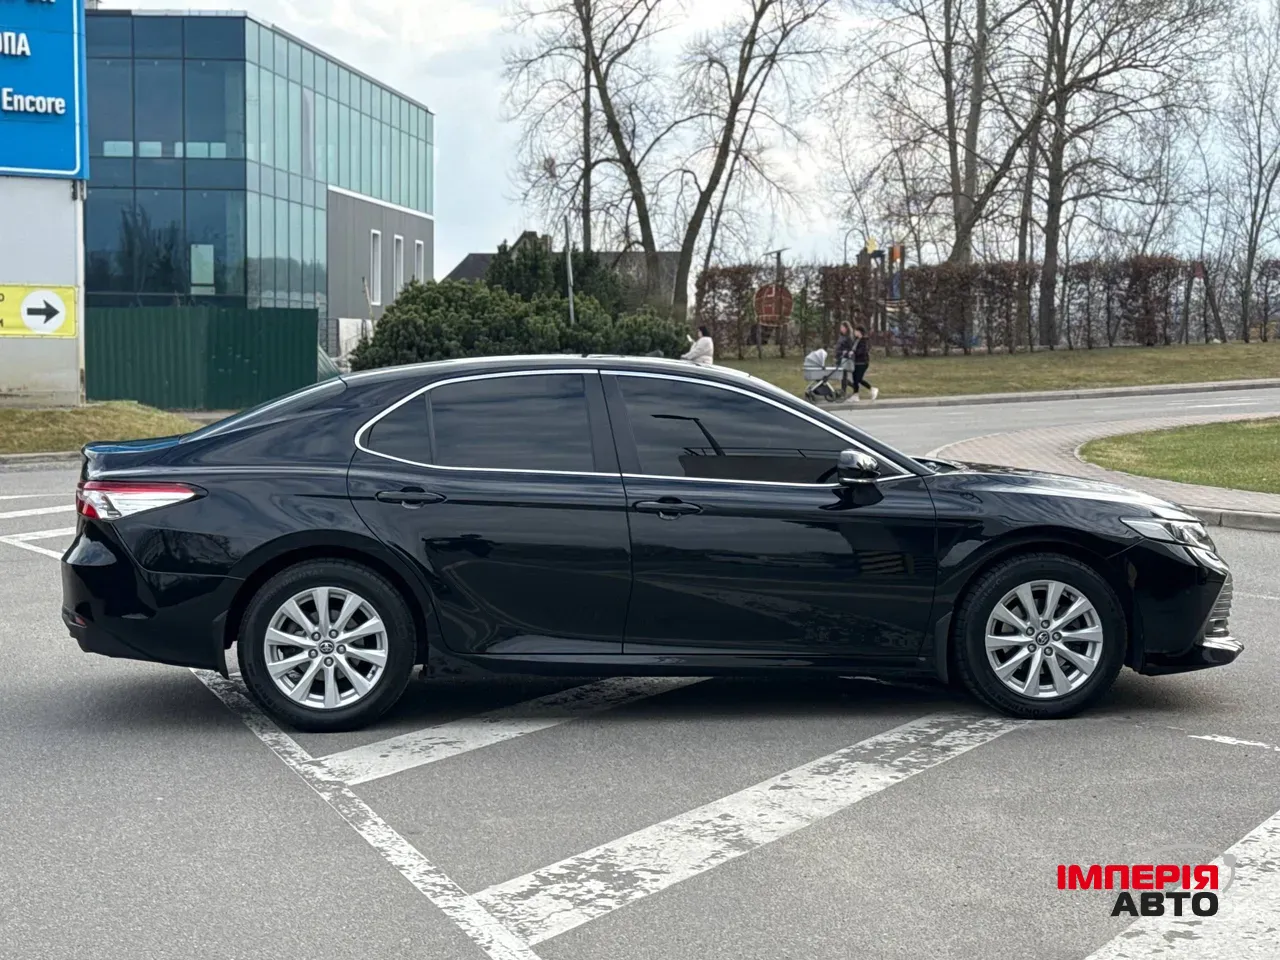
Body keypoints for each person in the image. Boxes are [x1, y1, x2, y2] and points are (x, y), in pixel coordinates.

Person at [850, 325, 879, 401]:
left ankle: (872, 389)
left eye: (855, 331)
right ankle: (855, 395)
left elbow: (862, 351)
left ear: (859, 332)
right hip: (856, 362)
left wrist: (853, 353)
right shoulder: (856, 340)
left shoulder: (864, 341)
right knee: (855, 379)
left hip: (862, 362)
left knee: (858, 379)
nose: (854, 332)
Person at [834, 321, 856, 397]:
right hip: (839, 357)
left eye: (843, 327)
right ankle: (853, 386)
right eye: (841, 327)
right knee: (842, 376)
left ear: (847, 328)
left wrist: (845, 353)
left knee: (843, 376)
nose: (841, 329)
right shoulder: (841, 336)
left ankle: (843, 392)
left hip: (845, 359)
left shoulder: (849, 338)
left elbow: (851, 349)